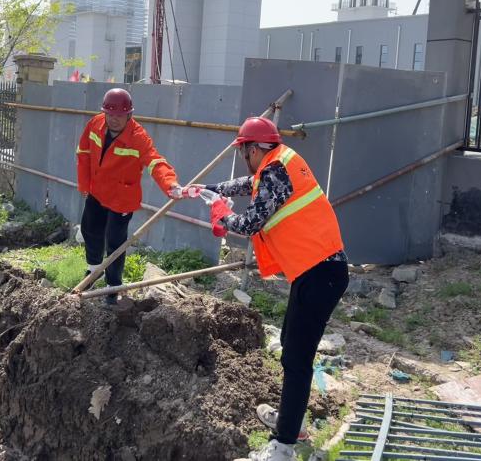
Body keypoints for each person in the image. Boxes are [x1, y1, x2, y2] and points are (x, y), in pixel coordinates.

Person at [203, 116, 349, 461]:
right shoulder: (279, 163)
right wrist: (213, 188)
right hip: (317, 271)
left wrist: (221, 213)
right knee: (290, 347)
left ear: (253, 149)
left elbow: (250, 222)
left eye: (244, 152)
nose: (244, 158)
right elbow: (249, 183)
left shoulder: (274, 170)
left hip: (320, 274)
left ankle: (284, 446)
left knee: (296, 358)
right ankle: (291, 421)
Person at [76, 88, 181, 305]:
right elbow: (83, 152)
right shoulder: (95, 124)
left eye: (119, 115)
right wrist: (84, 184)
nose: (113, 119)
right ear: (104, 112)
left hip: (122, 198)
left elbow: (155, 161)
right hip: (97, 190)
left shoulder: (138, 137)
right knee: (89, 229)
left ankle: (112, 287)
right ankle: (94, 271)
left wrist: (170, 183)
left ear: (129, 115)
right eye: (109, 114)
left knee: (115, 243)